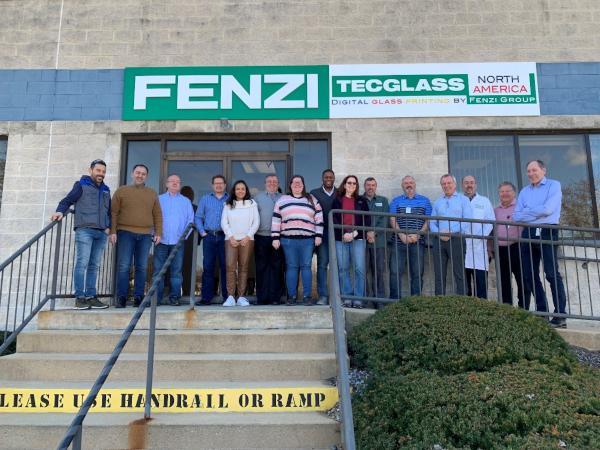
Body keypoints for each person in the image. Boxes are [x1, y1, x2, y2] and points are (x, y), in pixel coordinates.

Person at [51, 159, 111, 310]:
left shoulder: (106, 190)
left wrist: (109, 227)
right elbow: (67, 200)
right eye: (98, 170)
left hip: (101, 232)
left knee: (94, 265)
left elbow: (109, 211)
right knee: (82, 263)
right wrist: (59, 211)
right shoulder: (81, 185)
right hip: (85, 230)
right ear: (91, 170)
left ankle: (91, 296)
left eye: (103, 171)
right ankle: (80, 298)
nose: (101, 174)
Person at [514, 160, 567, 328]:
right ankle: (542, 312)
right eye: (528, 171)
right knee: (529, 274)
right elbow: (516, 216)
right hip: (528, 232)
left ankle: (560, 316)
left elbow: (548, 210)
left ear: (543, 170)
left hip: (547, 230)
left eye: (534, 170)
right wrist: (537, 212)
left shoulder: (554, 185)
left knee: (551, 274)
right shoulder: (524, 191)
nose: (531, 173)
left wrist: (528, 212)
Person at [110, 164, 162, 308]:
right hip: (125, 232)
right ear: (132, 174)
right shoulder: (121, 191)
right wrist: (113, 231)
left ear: (146, 176)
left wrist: (158, 232)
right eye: (138, 173)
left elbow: (157, 214)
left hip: (145, 235)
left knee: (142, 267)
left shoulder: (152, 193)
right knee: (124, 266)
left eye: (143, 174)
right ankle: (121, 297)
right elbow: (113, 212)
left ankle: (139, 297)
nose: (140, 176)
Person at [272, 175, 323, 306]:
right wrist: (275, 237)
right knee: (291, 267)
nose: (297, 184)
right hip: (288, 240)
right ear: (290, 185)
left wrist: (319, 235)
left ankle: (307, 297)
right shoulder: (282, 200)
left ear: (303, 185)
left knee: (306, 267)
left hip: (308, 240)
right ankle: (291, 297)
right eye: (294, 182)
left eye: (299, 182)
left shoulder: (311, 199)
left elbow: (319, 217)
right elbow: (276, 219)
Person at [152, 174, 194, 306]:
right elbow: (152, 217)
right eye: (172, 181)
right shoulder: (158, 199)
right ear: (167, 184)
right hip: (161, 241)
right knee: (158, 271)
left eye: (178, 182)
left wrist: (183, 237)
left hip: (178, 242)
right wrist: (154, 234)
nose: (175, 183)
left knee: (176, 272)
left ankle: (174, 297)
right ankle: (156, 299)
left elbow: (190, 220)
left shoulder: (185, 202)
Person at [332, 175, 372, 308]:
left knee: (359, 269)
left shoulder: (361, 201)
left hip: (358, 238)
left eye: (354, 183)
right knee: (343, 269)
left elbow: (367, 220)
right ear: (344, 185)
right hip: (341, 239)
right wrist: (344, 233)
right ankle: (347, 298)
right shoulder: (337, 200)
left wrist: (355, 233)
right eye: (349, 183)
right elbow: (334, 219)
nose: (352, 185)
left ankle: (358, 299)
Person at [388, 175, 432, 298]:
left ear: (415, 184)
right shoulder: (396, 201)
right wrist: (401, 235)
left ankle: (415, 302)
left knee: (417, 273)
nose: (409, 185)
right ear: (402, 186)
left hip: (418, 242)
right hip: (399, 241)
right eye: (406, 183)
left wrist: (418, 234)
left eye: (411, 182)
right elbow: (392, 219)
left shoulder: (425, 200)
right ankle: (394, 301)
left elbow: (429, 220)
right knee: (395, 272)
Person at [430, 174, 473, 296]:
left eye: (449, 183)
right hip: (439, 240)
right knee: (439, 273)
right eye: (443, 184)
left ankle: (462, 301)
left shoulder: (463, 200)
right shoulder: (438, 202)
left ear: (454, 184)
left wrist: (450, 232)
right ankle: (439, 301)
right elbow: (432, 221)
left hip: (456, 239)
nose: (446, 186)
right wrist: (439, 233)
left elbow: (467, 220)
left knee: (459, 272)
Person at [221, 180, 260, 307]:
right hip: (230, 239)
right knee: (230, 267)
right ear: (234, 191)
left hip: (247, 240)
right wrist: (231, 236)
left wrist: (248, 236)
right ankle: (231, 297)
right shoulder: (228, 204)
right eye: (238, 189)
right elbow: (224, 222)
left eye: (243, 189)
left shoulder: (252, 204)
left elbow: (256, 222)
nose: (240, 191)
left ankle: (241, 297)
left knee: (244, 267)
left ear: (246, 190)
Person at [194, 175, 229, 306]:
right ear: (212, 185)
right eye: (216, 183)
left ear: (225, 185)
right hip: (209, 236)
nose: (218, 185)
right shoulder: (205, 199)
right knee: (208, 267)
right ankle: (206, 298)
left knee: (226, 267)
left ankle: (227, 297)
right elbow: (198, 217)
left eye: (221, 183)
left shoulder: (230, 199)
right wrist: (202, 232)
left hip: (225, 237)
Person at [462, 175, 495, 299]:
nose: (469, 185)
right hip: (463, 245)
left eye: (471, 182)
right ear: (462, 185)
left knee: (481, 283)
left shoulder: (484, 201)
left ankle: (481, 307)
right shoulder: (459, 200)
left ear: (476, 185)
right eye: (466, 183)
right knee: (464, 285)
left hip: (480, 247)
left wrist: (482, 235)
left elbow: (491, 221)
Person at [492, 181, 524, 308]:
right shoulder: (495, 210)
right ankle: (507, 309)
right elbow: (491, 230)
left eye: (507, 191)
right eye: (502, 191)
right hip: (500, 250)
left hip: (517, 247)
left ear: (514, 193)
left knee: (522, 280)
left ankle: (523, 309)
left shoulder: (520, 208)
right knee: (504, 282)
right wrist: (490, 248)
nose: (504, 194)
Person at [254, 174, 285, 305]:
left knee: (276, 267)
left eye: (274, 181)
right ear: (265, 183)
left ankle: (275, 298)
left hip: (278, 238)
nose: (272, 183)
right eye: (269, 181)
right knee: (261, 267)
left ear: (278, 184)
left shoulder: (283, 198)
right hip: (261, 237)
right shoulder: (257, 198)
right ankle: (262, 298)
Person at [310, 169, 336, 305]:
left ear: (334, 178)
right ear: (322, 178)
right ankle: (323, 296)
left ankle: (337, 296)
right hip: (322, 232)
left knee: (339, 266)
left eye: (331, 177)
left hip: (338, 234)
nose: (328, 179)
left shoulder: (339, 193)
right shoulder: (314, 193)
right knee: (322, 264)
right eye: (326, 177)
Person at [362, 177, 389, 301]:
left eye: (373, 185)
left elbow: (385, 220)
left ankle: (379, 299)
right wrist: (367, 233)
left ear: (376, 187)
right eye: (368, 185)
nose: (370, 187)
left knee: (378, 271)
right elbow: (356, 219)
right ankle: (366, 299)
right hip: (362, 242)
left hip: (379, 242)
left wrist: (374, 232)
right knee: (362, 271)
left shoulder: (383, 201)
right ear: (364, 186)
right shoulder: (359, 200)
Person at [180, 185, 197, 297]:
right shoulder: (196, 208)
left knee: (175, 267)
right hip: (191, 243)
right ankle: (187, 293)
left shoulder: (178, 208)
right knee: (188, 268)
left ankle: (172, 292)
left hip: (178, 241)